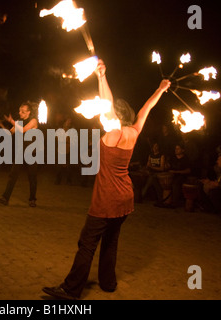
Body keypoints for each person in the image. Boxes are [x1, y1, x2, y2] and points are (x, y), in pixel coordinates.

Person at [42, 60, 171, 300]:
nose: (103, 113)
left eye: (107, 113)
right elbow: (146, 109)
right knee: (111, 241)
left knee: (87, 243)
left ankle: (71, 289)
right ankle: (108, 282)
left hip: (107, 198)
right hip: (125, 197)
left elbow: (107, 104)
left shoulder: (114, 132)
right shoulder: (134, 132)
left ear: (115, 116)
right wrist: (161, 89)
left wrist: (102, 77)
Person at [0, 101, 39, 207]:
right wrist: (1, 125)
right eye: (19, 111)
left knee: (32, 177)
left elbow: (23, 130)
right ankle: (5, 198)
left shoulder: (33, 120)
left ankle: (32, 199)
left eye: (23, 111)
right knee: (13, 175)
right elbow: (10, 132)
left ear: (29, 112)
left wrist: (11, 121)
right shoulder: (18, 121)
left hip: (31, 153)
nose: (20, 113)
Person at [157, 144, 191, 208]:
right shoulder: (173, 157)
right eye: (175, 149)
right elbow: (169, 166)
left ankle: (175, 203)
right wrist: (166, 165)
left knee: (175, 184)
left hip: (181, 176)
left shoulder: (185, 158)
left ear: (182, 150)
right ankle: (164, 201)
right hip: (172, 175)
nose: (176, 150)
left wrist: (176, 172)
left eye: (178, 149)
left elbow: (188, 170)